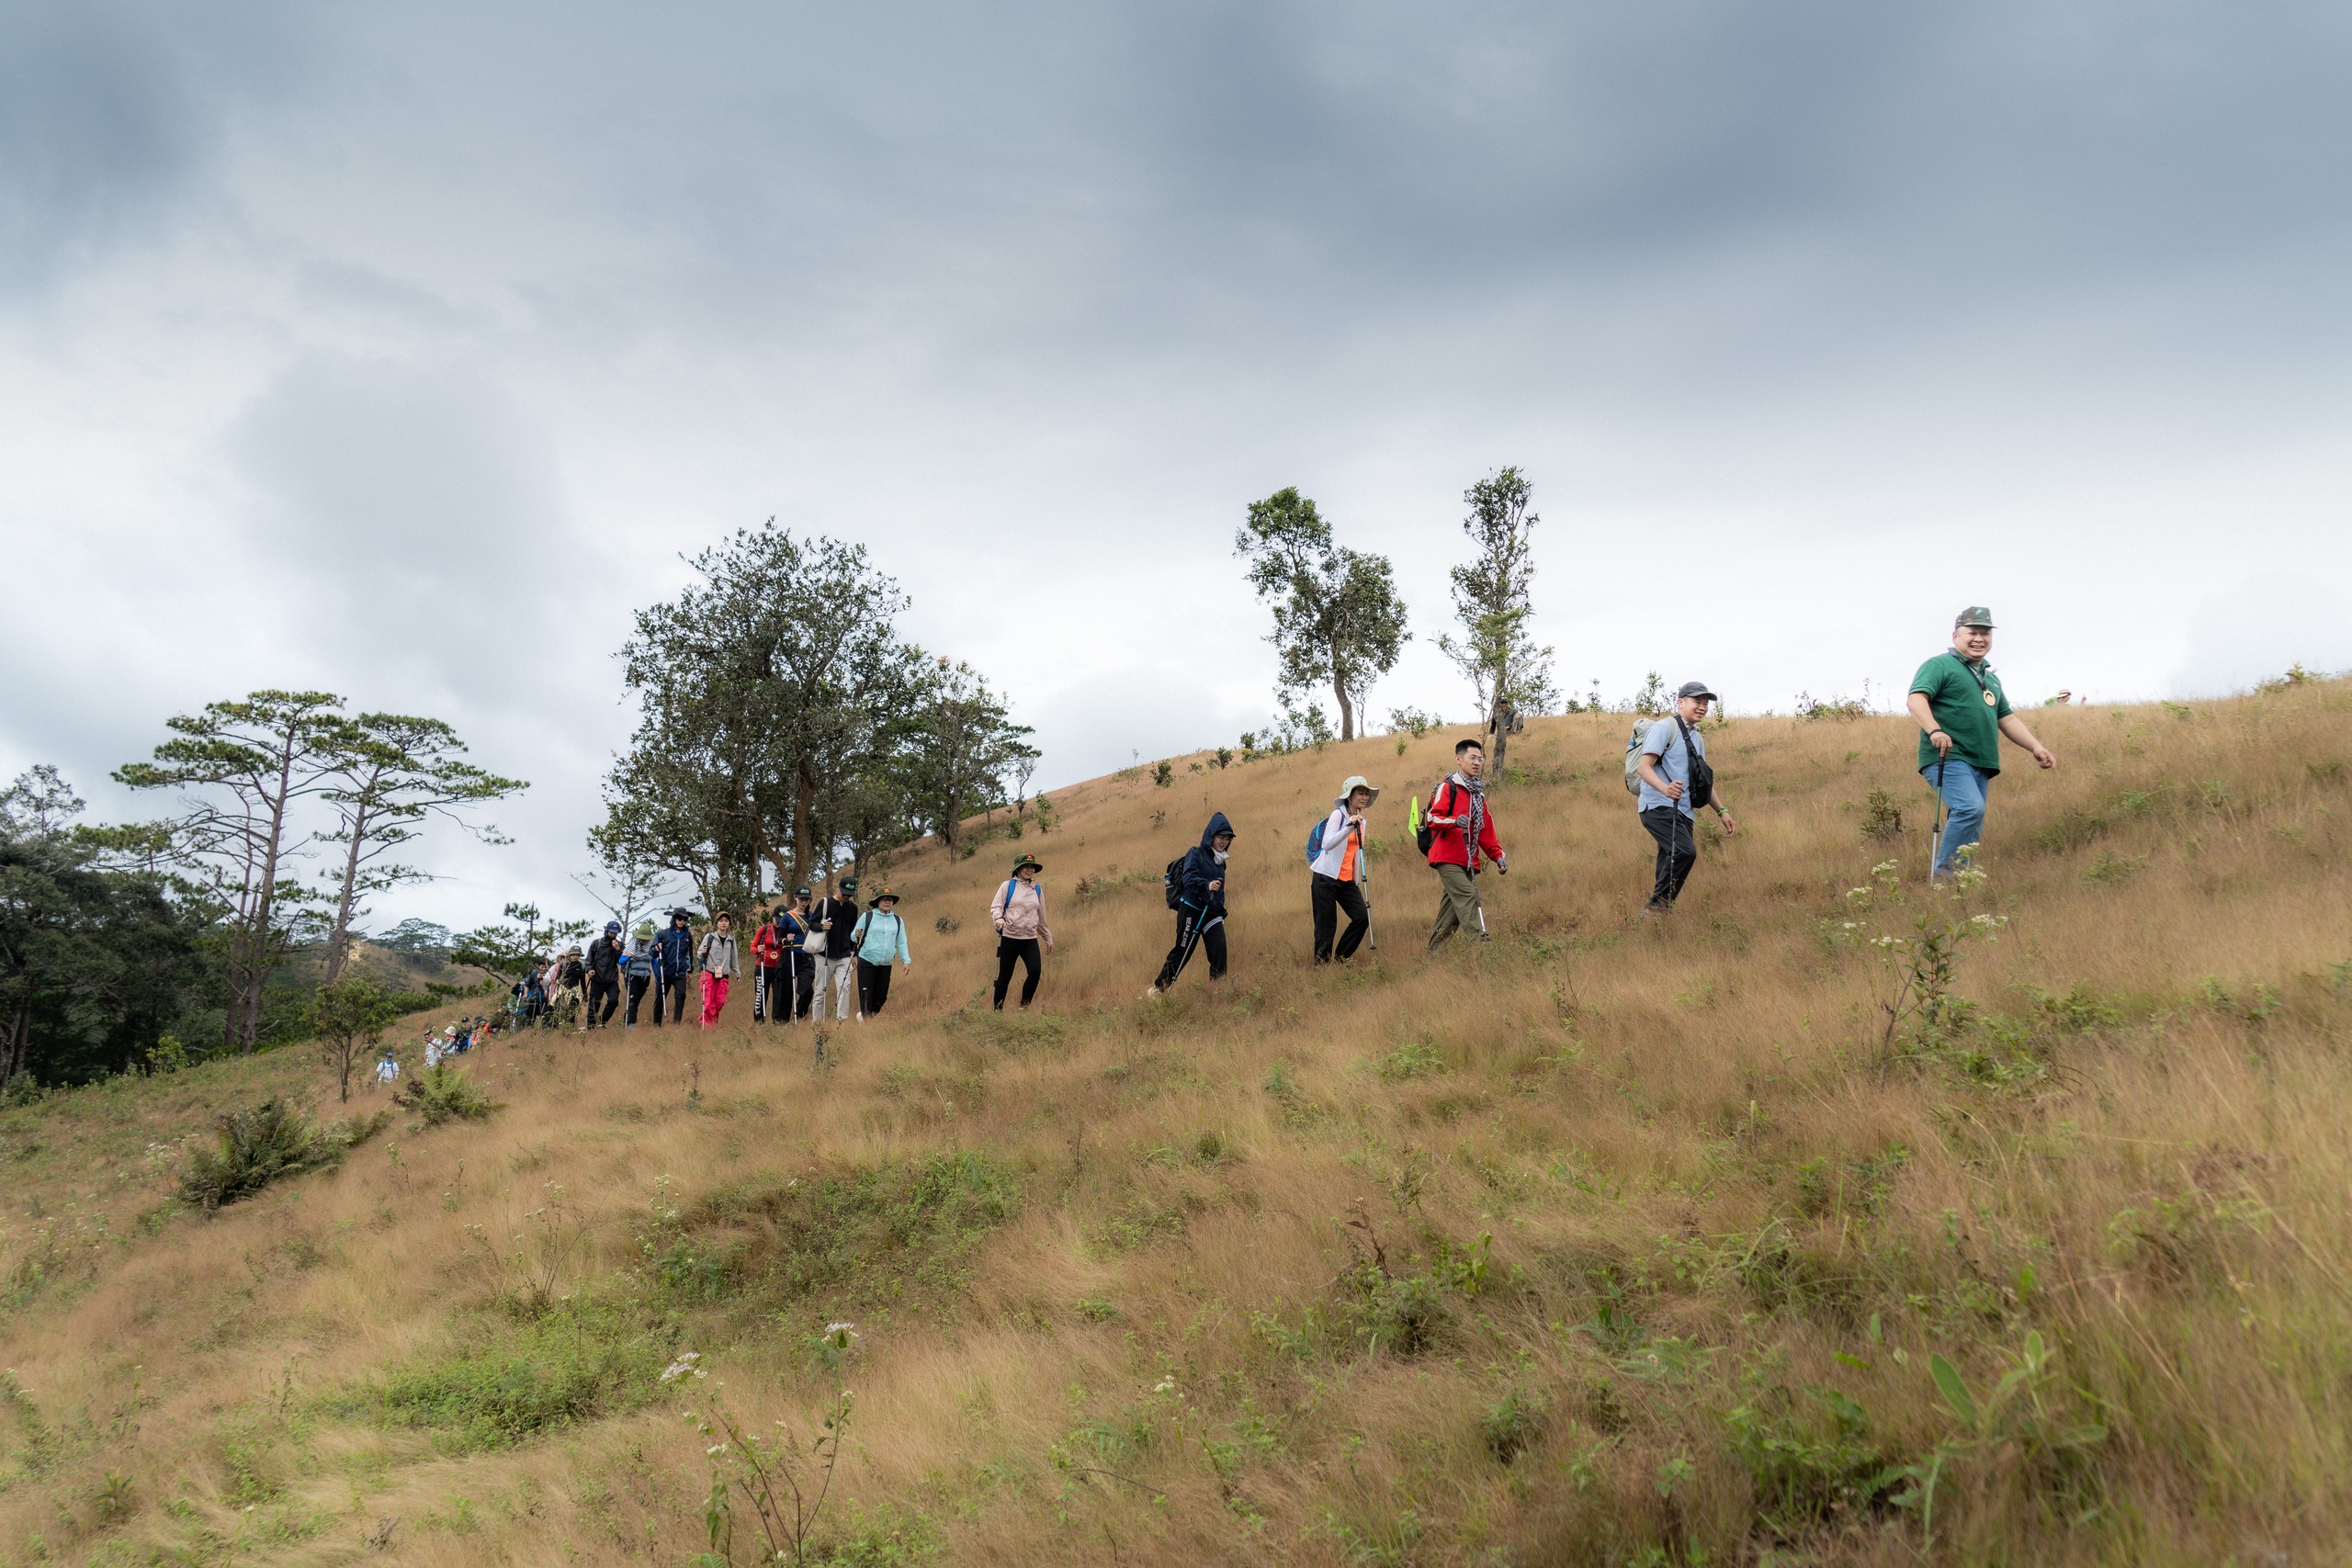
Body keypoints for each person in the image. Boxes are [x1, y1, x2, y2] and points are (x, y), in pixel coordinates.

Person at [1907, 607, 2058, 878]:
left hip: (1982, 763)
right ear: (1956, 635)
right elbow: (1916, 699)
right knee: (1969, 808)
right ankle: (1945, 879)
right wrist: (1934, 731)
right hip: (1948, 756)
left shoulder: (1991, 678)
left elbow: (2007, 719)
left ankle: (1960, 882)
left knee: (1972, 819)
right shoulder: (1939, 665)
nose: (1979, 638)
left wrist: (2036, 747)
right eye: (1972, 632)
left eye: (1985, 633)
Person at [1635, 682, 1738, 914]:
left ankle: (1659, 915)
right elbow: (1643, 767)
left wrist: (1723, 812)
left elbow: (1702, 781)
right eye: (1697, 702)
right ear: (1681, 702)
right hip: (1658, 806)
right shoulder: (1665, 728)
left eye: (1705, 703)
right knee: (1685, 851)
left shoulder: (1696, 738)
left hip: (1684, 811)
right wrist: (1665, 789)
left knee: (1669, 861)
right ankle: (1655, 909)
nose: (1702, 707)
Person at [1426, 740, 1507, 949]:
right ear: (1459, 759)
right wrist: (1454, 821)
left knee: (1450, 916)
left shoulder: (1478, 794)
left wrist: (1497, 856)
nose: (1477, 762)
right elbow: (1432, 819)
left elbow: (1485, 830)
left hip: (1468, 860)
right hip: (1446, 857)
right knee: (1467, 897)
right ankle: (1484, 947)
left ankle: (1433, 957)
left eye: (1480, 759)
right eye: (1472, 758)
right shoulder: (1447, 787)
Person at [1149, 812, 1235, 997]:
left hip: (1212, 914)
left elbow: (1220, 891)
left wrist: (1221, 912)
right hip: (1192, 910)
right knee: (1183, 950)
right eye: (1221, 837)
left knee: (1219, 950)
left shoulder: (1221, 862)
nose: (1224, 842)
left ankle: (1218, 992)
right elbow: (1188, 878)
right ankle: (1158, 990)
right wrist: (1206, 885)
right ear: (1211, 835)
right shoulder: (1195, 853)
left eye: (1227, 839)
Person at [1310, 776, 1377, 964]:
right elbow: (1327, 843)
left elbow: (1356, 852)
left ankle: (1341, 959)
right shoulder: (1338, 816)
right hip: (1326, 877)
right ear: (1349, 797)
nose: (1364, 798)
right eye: (1360, 793)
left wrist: (1356, 879)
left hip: (1347, 880)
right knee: (1326, 926)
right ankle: (1321, 967)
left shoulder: (1362, 822)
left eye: (1366, 794)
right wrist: (1349, 826)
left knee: (1362, 917)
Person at [989, 854, 1053, 1010]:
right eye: (1026, 867)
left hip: (1030, 939)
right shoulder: (1007, 886)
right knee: (1005, 976)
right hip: (1010, 937)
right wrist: (999, 919)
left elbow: (1041, 916)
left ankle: (1024, 1007)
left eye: (1031, 867)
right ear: (1018, 869)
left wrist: (1047, 937)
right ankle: (997, 1011)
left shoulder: (1036, 889)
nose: (1029, 870)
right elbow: (996, 907)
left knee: (1035, 971)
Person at [851, 888, 910, 1019]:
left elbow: (901, 942)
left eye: (890, 899)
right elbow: (853, 936)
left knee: (881, 997)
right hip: (866, 960)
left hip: (886, 963)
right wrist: (856, 934)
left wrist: (906, 961)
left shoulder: (898, 920)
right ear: (878, 902)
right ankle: (866, 1020)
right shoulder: (867, 917)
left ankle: (868, 1016)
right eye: (884, 899)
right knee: (866, 993)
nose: (887, 902)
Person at [808, 876, 861, 1022]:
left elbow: (853, 932)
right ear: (838, 888)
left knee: (845, 988)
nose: (846, 897)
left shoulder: (852, 908)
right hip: (823, 955)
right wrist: (821, 926)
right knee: (820, 992)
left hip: (844, 955)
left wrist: (854, 954)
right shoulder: (825, 903)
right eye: (844, 893)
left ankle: (841, 1023)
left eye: (850, 894)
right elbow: (812, 924)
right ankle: (817, 1025)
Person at [775, 889, 817, 1022]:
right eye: (801, 899)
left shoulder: (811, 916)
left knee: (807, 990)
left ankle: (799, 1015)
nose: (803, 902)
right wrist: (786, 939)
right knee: (786, 989)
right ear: (795, 898)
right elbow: (779, 939)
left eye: (806, 900)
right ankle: (783, 1021)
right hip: (790, 953)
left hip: (807, 955)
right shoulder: (787, 916)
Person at [653, 909, 696, 1026]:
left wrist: (690, 970)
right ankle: (656, 1024)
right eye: (679, 919)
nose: (682, 922)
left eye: (684, 919)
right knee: (659, 998)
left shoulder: (687, 935)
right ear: (674, 919)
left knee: (681, 995)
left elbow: (690, 953)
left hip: (680, 972)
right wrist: (657, 948)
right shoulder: (663, 934)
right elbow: (652, 952)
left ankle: (676, 1024)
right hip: (665, 972)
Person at [697, 911, 739, 1027]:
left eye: (726, 921)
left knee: (720, 1001)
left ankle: (711, 1021)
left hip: (723, 975)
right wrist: (702, 952)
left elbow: (734, 957)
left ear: (729, 923)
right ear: (717, 923)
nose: (723, 923)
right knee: (708, 1001)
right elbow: (699, 953)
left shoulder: (731, 939)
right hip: (709, 973)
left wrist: (737, 972)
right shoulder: (709, 937)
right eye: (721, 921)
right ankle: (706, 1025)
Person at [584, 921, 624, 1030]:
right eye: (611, 933)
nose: (613, 935)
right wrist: (589, 970)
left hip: (612, 980)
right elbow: (588, 961)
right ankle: (591, 1028)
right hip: (597, 979)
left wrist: (617, 950)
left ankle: (602, 1022)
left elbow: (621, 962)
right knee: (594, 1005)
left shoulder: (619, 945)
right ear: (606, 931)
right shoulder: (596, 943)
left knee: (613, 1001)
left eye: (615, 933)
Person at [750, 909, 785, 1022]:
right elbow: (752, 947)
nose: (779, 923)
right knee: (760, 996)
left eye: (782, 921)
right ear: (772, 917)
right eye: (777, 920)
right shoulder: (764, 929)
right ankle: (759, 1022)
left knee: (778, 997)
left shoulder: (785, 931)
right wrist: (757, 950)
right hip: (762, 967)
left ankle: (777, 1021)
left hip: (779, 968)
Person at [622, 920, 659, 1026]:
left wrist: (657, 977)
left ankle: (626, 1020)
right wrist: (628, 957)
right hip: (631, 975)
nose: (645, 940)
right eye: (643, 938)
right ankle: (631, 1025)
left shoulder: (651, 948)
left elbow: (654, 962)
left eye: (646, 938)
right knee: (633, 998)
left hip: (645, 977)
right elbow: (620, 961)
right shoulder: (631, 946)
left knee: (636, 1000)